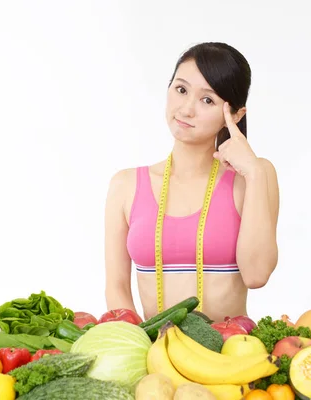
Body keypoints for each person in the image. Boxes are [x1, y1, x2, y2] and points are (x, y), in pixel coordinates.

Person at [104, 42, 280, 323]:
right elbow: (117, 289)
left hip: (234, 354)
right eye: (181, 89)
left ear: (235, 115)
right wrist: (137, 347)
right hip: (156, 357)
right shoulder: (125, 185)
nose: (186, 109)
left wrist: (255, 174)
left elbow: (257, 275)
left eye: (207, 100)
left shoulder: (254, 176)